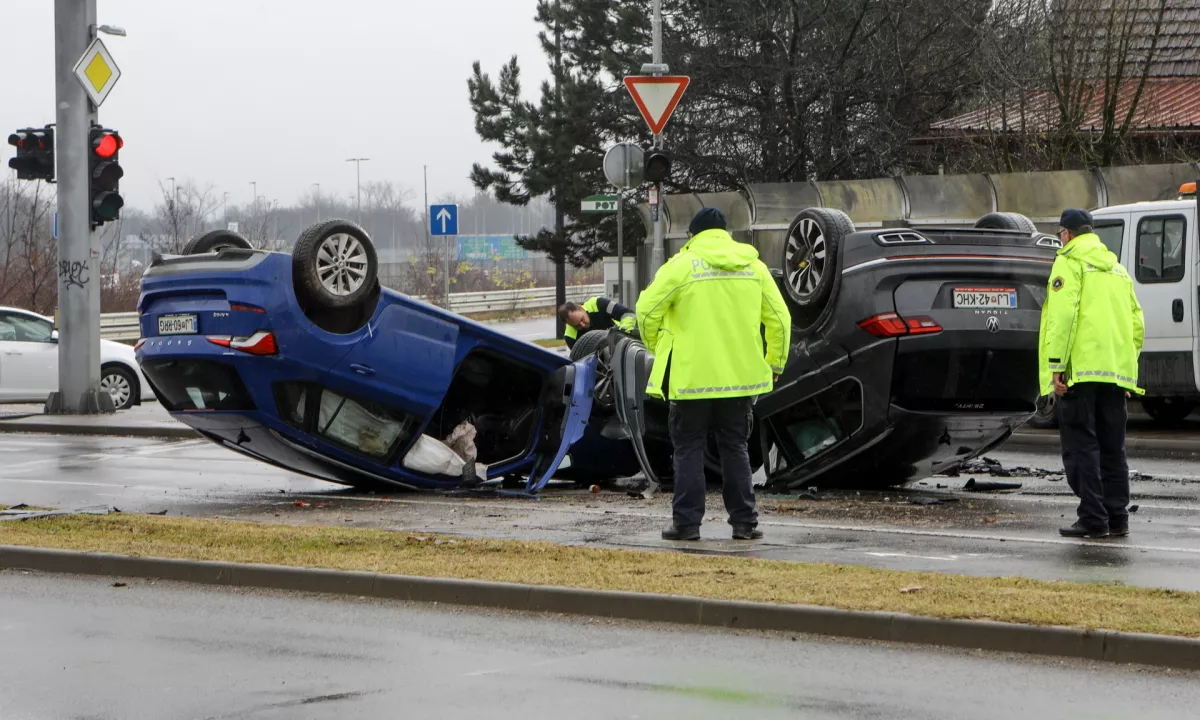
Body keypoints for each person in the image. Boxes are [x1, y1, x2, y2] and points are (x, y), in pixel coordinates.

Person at [636, 207, 791, 541]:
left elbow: (646, 310)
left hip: (691, 380)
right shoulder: (754, 266)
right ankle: (744, 524)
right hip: (739, 381)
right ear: (725, 233)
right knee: (735, 448)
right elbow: (780, 319)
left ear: (693, 235)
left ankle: (687, 525)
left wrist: (658, 344)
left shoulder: (681, 265)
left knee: (688, 450)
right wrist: (775, 362)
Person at [1039, 208, 1144, 539]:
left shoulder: (1069, 263)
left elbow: (1062, 317)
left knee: (1082, 446)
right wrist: (1127, 372)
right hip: (1115, 375)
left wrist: (1057, 365)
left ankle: (1093, 518)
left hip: (1079, 374)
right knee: (1113, 448)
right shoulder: (1118, 270)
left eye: (1060, 234)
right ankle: (1118, 518)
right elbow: (1137, 325)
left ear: (1067, 234)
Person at [558, 296, 637, 350]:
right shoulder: (570, 337)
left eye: (582, 319)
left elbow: (628, 314)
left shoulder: (598, 303)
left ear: (580, 307)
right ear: (569, 325)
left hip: (625, 343)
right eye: (577, 326)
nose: (583, 325)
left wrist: (623, 333)